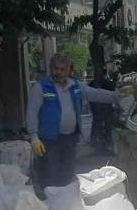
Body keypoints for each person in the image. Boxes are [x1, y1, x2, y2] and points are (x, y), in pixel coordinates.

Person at [26, 54, 121, 190]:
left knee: (67, 174)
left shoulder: (75, 86)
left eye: (62, 69)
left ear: (70, 70)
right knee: (50, 176)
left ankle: (64, 200)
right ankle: (49, 200)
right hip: (48, 141)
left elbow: (95, 94)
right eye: (55, 68)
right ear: (50, 68)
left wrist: (118, 95)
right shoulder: (40, 88)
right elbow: (32, 113)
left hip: (69, 139)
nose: (58, 72)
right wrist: (34, 137)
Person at [88, 70, 117, 156]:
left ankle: (96, 143)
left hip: (97, 109)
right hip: (106, 108)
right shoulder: (108, 83)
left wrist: (92, 106)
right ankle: (108, 143)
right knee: (108, 127)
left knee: (97, 125)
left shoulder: (92, 83)